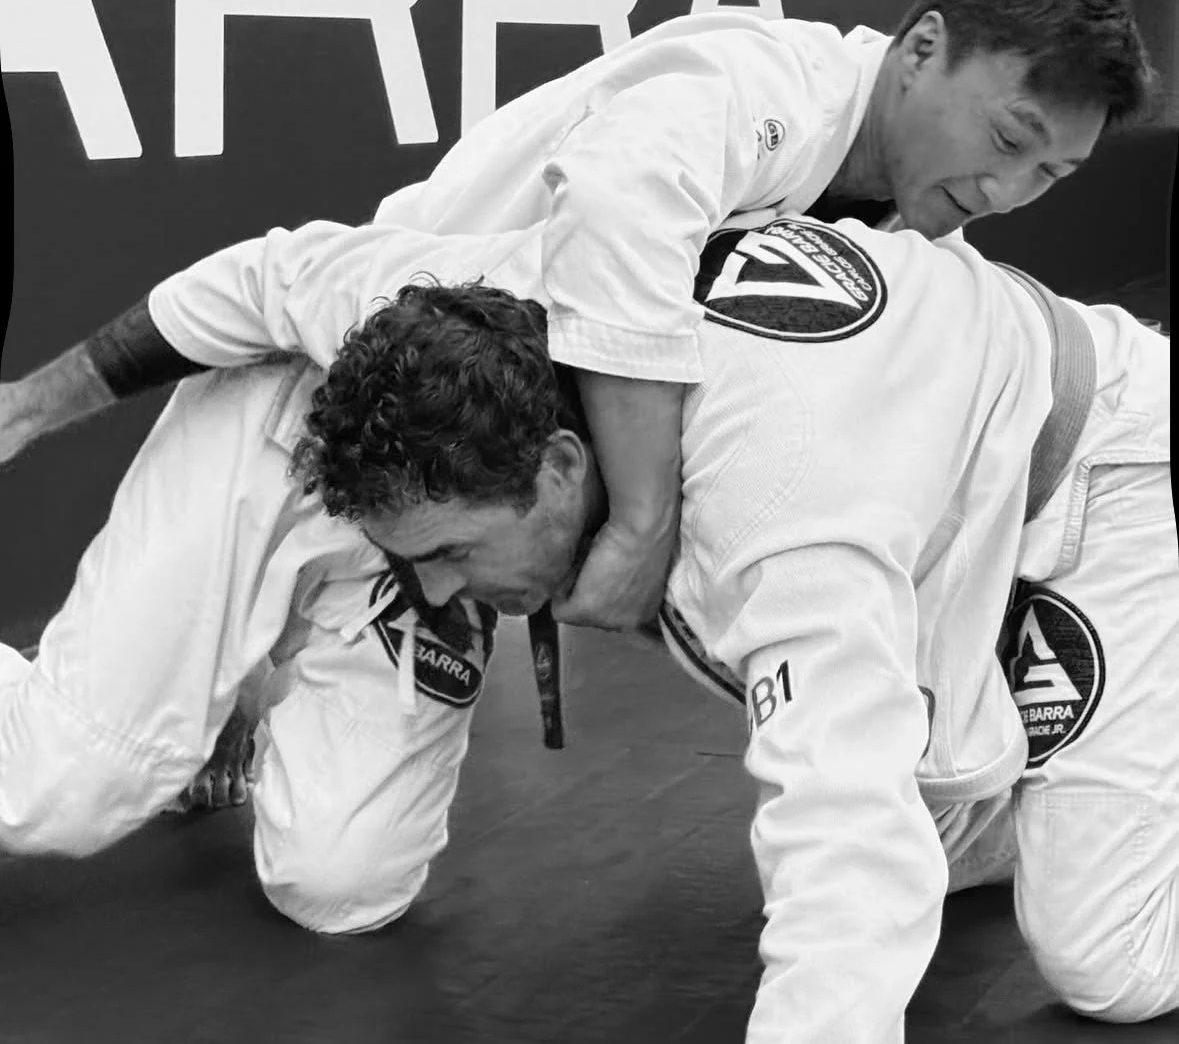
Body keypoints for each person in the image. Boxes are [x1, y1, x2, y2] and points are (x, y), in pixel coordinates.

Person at [0, 207, 1172, 1039]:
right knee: (926, 795)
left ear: (563, 466)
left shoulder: (778, 517)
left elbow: (843, 850)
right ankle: (1047, 769)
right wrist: (28, 406)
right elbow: (260, 277)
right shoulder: (496, 301)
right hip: (935, 469)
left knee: (1102, 960)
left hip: (1099, 482)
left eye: (454, 551)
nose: (444, 594)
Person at [1, 0, 1154, 642]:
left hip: (467, 512)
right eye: (1009, 137)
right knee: (82, 776)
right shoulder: (764, 87)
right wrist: (28, 406)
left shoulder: (912, 246)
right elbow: (617, 209)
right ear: (922, 48)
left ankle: (261, 675)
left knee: (344, 874)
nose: (1006, 190)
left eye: (1049, 175)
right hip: (325, 388)